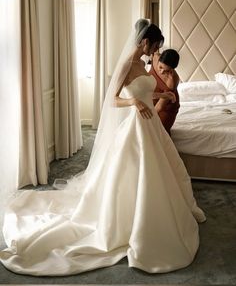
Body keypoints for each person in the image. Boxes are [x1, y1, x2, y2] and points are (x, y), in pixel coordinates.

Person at [0, 19, 205, 276]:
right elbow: (113, 100)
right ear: (144, 42)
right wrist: (134, 104)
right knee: (136, 174)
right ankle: (133, 222)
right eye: (153, 46)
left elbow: (143, 92)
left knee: (160, 171)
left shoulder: (143, 64)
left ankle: (155, 218)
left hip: (150, 125)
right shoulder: (126, 65)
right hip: (137, 126)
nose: (155, 53)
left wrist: (160, 96)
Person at [149, 49, 180, 135]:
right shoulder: (155, 57)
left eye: (166, 70)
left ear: (172, 70)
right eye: (160, 67)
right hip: (151, 99)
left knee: (158, 132)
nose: (162, 71)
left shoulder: (172, 80)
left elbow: (160, 106)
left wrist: (146, 120)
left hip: (166, 108)